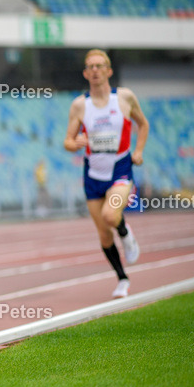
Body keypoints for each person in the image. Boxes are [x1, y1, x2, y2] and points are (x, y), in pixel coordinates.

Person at [64, 49, 149, 298]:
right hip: (93, 174)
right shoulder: (80, 105)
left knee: (110, 215)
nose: (95, 70)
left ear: (109, 71)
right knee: (103, 234)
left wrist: (138, 151)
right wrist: (75, 143)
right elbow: (67, 141)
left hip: (120, 168)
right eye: (90, 67)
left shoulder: (124, 98)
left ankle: (125, 233)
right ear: (85, 73)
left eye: (99, 66)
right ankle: (122, 278)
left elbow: (143, 123)